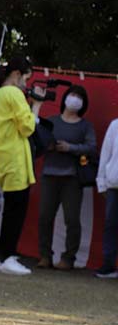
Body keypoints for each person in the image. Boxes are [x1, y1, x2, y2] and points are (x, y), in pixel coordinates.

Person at [0, 55, 41, 275]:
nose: (26, 85)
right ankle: (7, 256)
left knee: (12, 208)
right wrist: (37, 105)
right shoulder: (12, 93)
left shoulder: (0, 94)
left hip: (7, 157)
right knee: (15, 210)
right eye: (26, 79)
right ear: (17, 75)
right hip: (14, 158)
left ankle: (5, 254)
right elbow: (28, 127)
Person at [37, 86, 97, 270]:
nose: (74, 99)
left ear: (83, 103)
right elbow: (38, 142)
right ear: (64, 98)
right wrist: (48, 146)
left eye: (79, 97)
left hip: (72, 178)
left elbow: (91, 148)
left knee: (72, 219)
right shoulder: (52, 121)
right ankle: (45, 256)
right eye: (72, 95)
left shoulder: (85, 126)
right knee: (44, 217)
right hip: (49, 174)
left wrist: (70, 148)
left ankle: (69, 258)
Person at [95, 116, 118, 279]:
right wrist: (101, 181)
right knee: (111, 225)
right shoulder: (115, 125)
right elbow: (106, 153)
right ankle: (108, 265)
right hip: (114, 184)